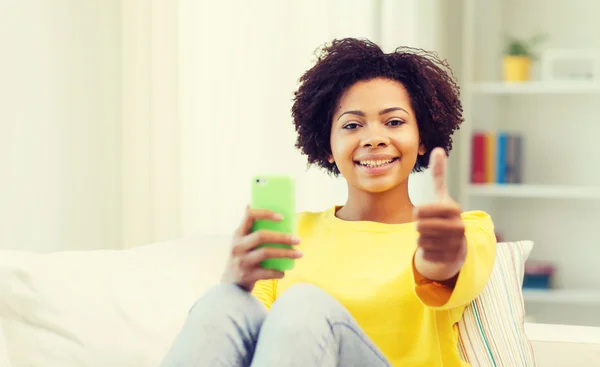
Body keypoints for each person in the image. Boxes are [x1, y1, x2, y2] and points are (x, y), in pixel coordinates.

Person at [161, 38, 497, 367]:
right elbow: (257, 343)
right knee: (220, 302)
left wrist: (440, 259)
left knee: (302, 303)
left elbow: (443, 271)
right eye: (352, 125)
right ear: (327, 147)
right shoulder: (291, 234)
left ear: (422, 138)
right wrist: (235, 282)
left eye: (394, 122)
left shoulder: (463, 230)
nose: (374, 138)